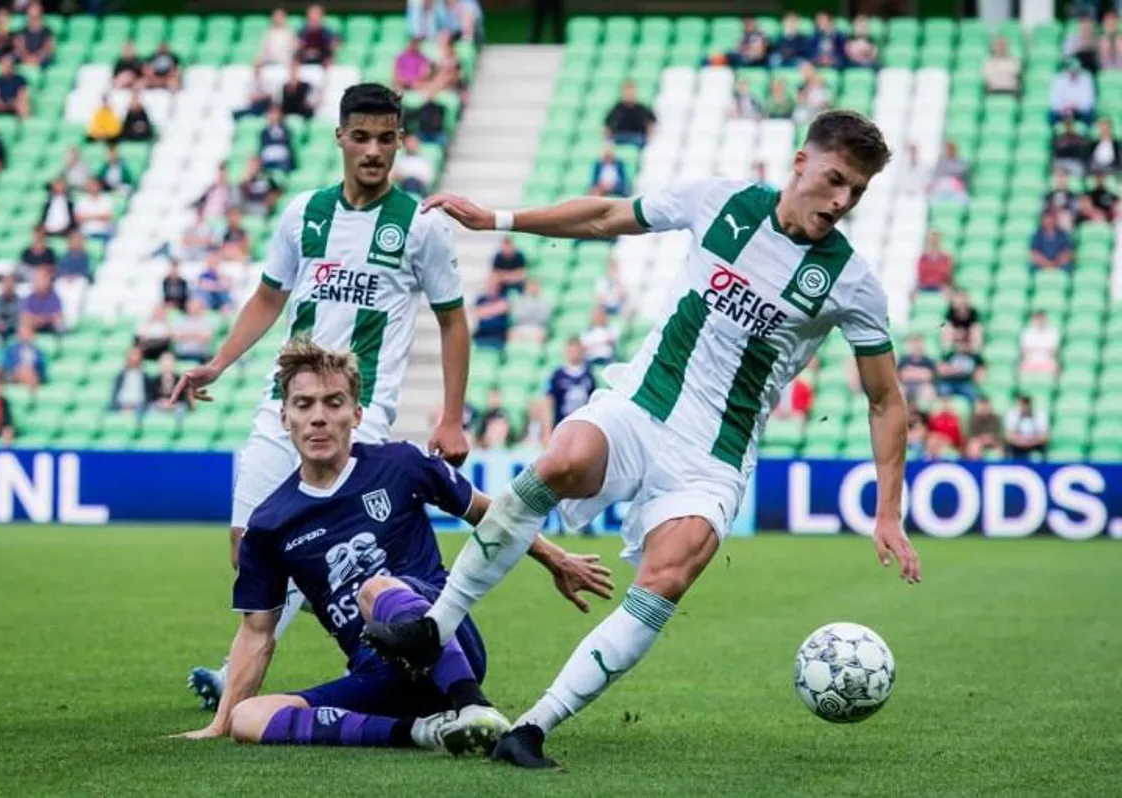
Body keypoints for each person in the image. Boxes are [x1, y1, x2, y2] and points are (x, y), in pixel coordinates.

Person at [363, 110, 920, 769]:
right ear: (800, 162)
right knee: (562, 461)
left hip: (712, 458)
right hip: (640, 404)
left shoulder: (851, 282)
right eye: (835, 180)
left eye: (857, 192)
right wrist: (499, 220)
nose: (842, 200)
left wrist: (888, 510)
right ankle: (436, 627)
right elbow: (606, 216)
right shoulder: (722, 202)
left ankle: (533, 728)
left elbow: (885, 398)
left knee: (669, 573)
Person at [173, 84, 473, 708]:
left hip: (357, 419)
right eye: (361, 137)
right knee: (249, 549)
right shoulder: (303, 213)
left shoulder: (420, 228)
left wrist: (451, 417)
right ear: (339, 137)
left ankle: (248, 679)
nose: (373, 151)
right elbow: (268, 297)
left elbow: (452, 320)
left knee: (332, 554)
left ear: (399, 141)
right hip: (281, 407)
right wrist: (218, 365)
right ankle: (327, 615)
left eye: (385, 139)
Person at [175, 340, 610, 750]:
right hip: (377, 675)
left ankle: (473, 705)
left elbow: (490, 514)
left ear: (357, 414)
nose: (318, 417)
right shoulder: (270, 523)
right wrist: (221, 722)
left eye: (334, 402)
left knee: (374, 588)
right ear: (284, 418)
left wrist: (557, 559)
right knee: (249, 719)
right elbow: (256, 635)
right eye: (303, 404)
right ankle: (423, 732)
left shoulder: (400, 464)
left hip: (445, 644)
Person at [547, 337, 595, 427]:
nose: (575, 354)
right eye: (572, 351)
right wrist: (547, 427)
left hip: (582, 422)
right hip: (561, 422)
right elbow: (550, 400)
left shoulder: (588, 375)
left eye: (577, 351)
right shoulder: (557, 375)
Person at [603, 80, 656, 148]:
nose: (629, 93)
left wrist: (649, 136)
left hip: (637, 137)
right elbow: (606, 125)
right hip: (619, 137)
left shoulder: (641, 108)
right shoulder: (617, 108)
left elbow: (652, 122)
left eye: (631, 90)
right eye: (627, 90)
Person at [1048, 58, 1095, 124]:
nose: (1073, 72)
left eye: (1075, 70)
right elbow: (1054, 102)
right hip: (1063, 111)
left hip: (1080, 111)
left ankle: (1087, 133)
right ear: (1066, 70)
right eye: (1071, 70)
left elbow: (1089, 102)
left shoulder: (1086, 78)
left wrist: (1075, 106)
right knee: (1052, 116)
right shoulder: (1059, 79)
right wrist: (1066, 107)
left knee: (1089, 115)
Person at [171, 296, 216, 363]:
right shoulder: (180, 320)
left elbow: (206, 338)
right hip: (182, 354)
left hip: (201, 354)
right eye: (191, 305)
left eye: (196, 305)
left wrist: (186, 335)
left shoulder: (206, 321)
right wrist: (197, 335)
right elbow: (175, 337)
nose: (193, 307)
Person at [1004, 394, 1048, 460]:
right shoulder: (1013, 414)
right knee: (1007, 447)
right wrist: (1021, 441)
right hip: (1018, 443)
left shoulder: (1040, 414)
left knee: (1044, 447)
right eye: (1021, 406)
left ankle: (1044, 468)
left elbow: (1044, 436)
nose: (1023, 408)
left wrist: (1031, 441)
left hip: (1034, 442)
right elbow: (1009, 436)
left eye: (1025, 405)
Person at [111, 346, 155, 412]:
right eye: (132, 356)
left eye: (137, 356)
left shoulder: (145, 375)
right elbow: (115, 393)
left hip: (139, 404)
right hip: (121, 403)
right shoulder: (121, 375)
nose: (134, 359)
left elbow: (149, 395)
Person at [21, 266, 64, 333]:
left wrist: (38, 319)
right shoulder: (28, 299)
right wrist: (46, 319)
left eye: (41, 279)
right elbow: (26, 319)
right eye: (36, 279)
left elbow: (58, 318)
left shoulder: (55, 298)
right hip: (33, 332)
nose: (37, 282)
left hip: (51, 330)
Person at [5, 323, 46, 391]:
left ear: (32, 335)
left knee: (30, 372)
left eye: (27, 333)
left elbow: (42, 368)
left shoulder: (38, 352)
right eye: (22, 334)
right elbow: (8, 365)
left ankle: (31, 390)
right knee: (25, 371)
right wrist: (19, 369)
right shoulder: (11, 350)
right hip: (16, 374)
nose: (24, 336)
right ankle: (32, 394)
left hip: (33, 374)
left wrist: (30, 370)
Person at [896, 335, 937, 404]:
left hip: (923, 386)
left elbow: (929, 376)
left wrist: (910, 371)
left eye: (918, 342)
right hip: (906, 385)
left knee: (929, 391)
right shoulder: (904, 359)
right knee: (900, 391)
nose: (916, 345)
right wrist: (921, 372)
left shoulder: (927, 360)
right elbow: (902, 376)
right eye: (913, 342)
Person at [508, 279, 551, 343]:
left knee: (541, 335)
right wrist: (534, 312)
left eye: (535, 286)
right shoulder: (520, 300)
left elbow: (544, 318)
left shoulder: (544, 301)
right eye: (531, 286)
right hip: (521, 326)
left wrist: (527, 312)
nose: (533, 288)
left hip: (537, 327)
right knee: (511, 334)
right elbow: (516, 316)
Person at [14, 2, 55, 68]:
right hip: (25, 58)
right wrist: (27, 57)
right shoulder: (22, 31)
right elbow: (19, 47)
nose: (33, 18)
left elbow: (49, 48)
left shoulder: (47, 31)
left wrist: (37, 58)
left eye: (36, 16)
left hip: (41, 58)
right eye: (31, 16)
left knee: (47, 59)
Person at [258, 106, 295, 173]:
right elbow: (262, 147)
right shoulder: (264, 131)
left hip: (281, 159)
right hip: (267, 159)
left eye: (275, 113)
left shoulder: (286, 130)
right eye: (271, 113)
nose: (273, 116)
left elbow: (287, 145)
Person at [0, 274, 22, 338]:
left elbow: (19, 319)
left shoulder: (19, 301)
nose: (7, 287)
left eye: (10, 285)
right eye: (5, 285)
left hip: (13, 332)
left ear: (14, 286)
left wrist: (6, 325)